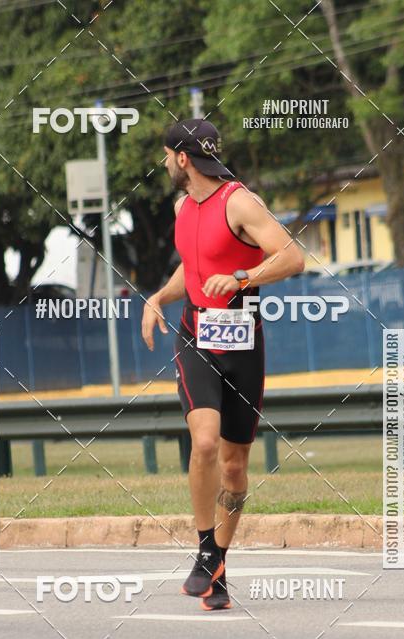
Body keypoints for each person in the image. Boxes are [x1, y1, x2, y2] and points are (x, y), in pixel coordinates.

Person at [142, 119, 304, 610]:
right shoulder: (181, 207)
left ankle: (217, 564)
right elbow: (194, 267)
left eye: (167, 156)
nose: (165, 164)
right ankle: (205, 550)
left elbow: (293, 257)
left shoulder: (240, 202)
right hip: (196, 337)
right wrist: (159, 297)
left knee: (234, 468)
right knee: (206, 442)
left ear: (182, 158)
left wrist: (242, 277)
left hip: (243, 343)